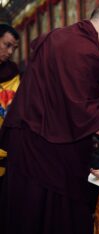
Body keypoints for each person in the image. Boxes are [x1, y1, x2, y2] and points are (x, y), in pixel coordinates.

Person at [0, 4, 99, 234]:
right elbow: (79, 108)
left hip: (28, 147)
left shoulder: (58, 37)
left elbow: (62, 106)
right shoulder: (85, 50)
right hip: (46, 153)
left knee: (24, 215)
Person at [0, 24, 19, 185]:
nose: (11, 52)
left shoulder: (15, 75)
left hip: (8, 156)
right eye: (7, 45)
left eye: (14, 47)